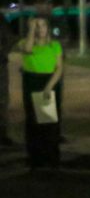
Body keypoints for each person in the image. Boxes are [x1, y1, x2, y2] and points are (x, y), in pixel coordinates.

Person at [18, 16, 64, 168]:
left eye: (43, 25)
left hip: (47, 82)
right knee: (33, 121)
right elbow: (28, 50)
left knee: (48, 122)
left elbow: (59, 68)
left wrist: (49, 86)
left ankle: (50, 157)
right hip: (32, 81)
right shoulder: (25, 43)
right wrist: (31, 28)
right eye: (37, 26)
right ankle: (35, 157)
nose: (41, 29)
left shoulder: (55, 46)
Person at [0, 9, 15, 147]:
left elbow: (9, 39)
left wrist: (3, 53)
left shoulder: (1, 19)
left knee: (2, 101)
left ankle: (2, 134)